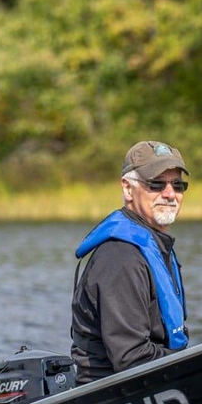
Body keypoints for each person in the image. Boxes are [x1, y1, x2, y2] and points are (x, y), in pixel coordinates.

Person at [70, 140, 191, 384]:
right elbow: (131, 358)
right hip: (111, 396)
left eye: (178, 185)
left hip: (154, 383)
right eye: (156, 184)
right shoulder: (121, 258)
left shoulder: (156, 248)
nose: (170, 194)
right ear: (127, 188)